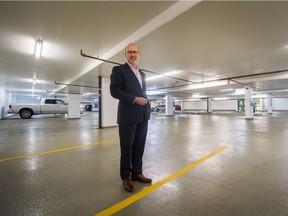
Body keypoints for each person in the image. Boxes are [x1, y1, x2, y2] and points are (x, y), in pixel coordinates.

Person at [110, 43, 152, 192]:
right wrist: (134, 99)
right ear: (125, 54)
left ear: (139, 54)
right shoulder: (119, 70)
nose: (133, 55)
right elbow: (114, 90)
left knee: (140, 146)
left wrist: (147, 107)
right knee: (127, 148)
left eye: (135, 52)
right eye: (130, 52)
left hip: (143, 116)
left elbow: (143, 93)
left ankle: (137, 173)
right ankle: (125, 177)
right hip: (127, 116)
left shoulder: (142, 74)